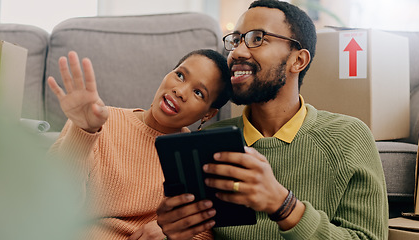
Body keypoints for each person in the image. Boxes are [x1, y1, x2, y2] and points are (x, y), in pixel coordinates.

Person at [156, 0, 388, 239]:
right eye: (236, 40)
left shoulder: (349, 137)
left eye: (258, 39)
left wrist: (283, 205)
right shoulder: (209, 142)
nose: (236, 52)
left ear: (298, 60)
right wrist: (173, 230)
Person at [47, 49, 231, 240]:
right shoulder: (94, 120)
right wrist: (83, 132)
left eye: (199, 92)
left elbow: (202, 232)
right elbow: (51, 203)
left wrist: (171, 232)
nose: (180, 91)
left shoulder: (195, 159)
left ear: (208, 114)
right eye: (180, 75)